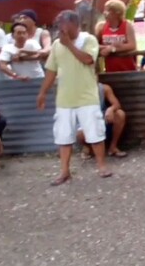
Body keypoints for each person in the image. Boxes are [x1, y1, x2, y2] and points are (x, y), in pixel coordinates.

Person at [37, 10, 112, 186]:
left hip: (86, 95)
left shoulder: (88, 39)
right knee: (63, 136)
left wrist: (69, 44)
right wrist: (42, 92)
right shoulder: (56, 45)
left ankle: (101, 166)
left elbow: (87, 60)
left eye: (61, 23)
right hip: (65, 97)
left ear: (73, 24)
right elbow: (51, 70)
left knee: (95, 132)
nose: (59, 27)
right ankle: (64, 171)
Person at [78, 83, 128, 159]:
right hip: (86, 119)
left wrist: (111, 109)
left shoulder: (104, 88)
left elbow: (116, 104)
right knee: (80, 134)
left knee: (120, 114)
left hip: (102, 116)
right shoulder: (78, 90)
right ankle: (89, 148)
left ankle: (113, 147)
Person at [96, 0, 138, 72]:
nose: (104, 13)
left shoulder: (127, 26)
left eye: (108, 10)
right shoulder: (101, 27)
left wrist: (112, 49)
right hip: (110, 70)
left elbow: (132, 45)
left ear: (117, 13)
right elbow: (95, 44)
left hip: (128, 70)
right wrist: (108, 47)